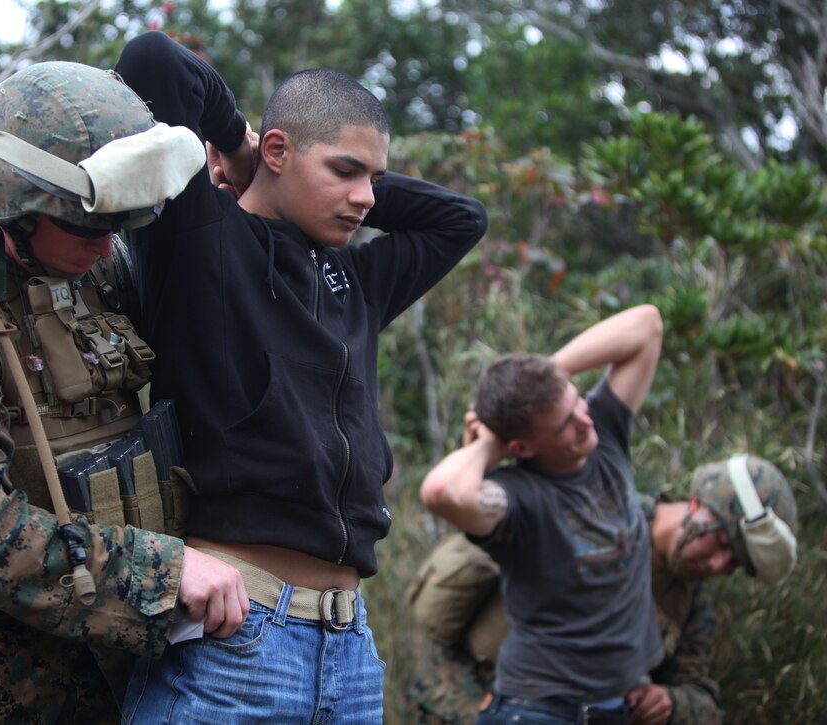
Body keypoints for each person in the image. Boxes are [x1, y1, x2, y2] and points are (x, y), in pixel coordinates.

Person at [0, 61, 247, 723]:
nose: (109, 242)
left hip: (108, 668)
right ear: (17, 202)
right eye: (90, 225)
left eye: (120, 223)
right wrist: (160, 572)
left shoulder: (92, 270)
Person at [113, 30, 488, 722]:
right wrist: (239, 145)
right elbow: (151, 62)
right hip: (236, 636)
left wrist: (336, 174)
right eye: (346, 171)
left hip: (349, 648)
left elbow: (460, 220)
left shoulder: (357, 279)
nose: (367, 197)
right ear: (281, 151)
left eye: (375, 177)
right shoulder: (200, 236)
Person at [409, 454, 799, 725]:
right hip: (468, 700)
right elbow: (442, 625)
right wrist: (476, 710)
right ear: (696, 504)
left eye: (733, 565)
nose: (718, 565)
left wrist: (669, 704)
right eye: (724, 545)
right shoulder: (591, 511)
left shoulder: (690, 602)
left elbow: (703, 700)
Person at [420, 304, 666, 724]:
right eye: (564, 425)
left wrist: (542, 378)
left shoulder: (603, 430)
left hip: (615, 708)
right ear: (521, 448)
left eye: (577, 403)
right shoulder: (517, 498)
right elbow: (443, 492)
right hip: (538, 710)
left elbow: (647, 324)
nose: (584, 422)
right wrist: (489, 441)